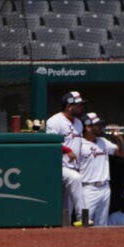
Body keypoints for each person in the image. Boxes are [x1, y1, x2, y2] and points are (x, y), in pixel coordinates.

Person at [74, 112, 124, 226]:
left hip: (105, 187)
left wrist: (119, 137)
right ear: (88, 127)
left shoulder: (103, 141)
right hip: (88, 188)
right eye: (97, 125)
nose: (101, 127)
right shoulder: (79, 144)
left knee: (102, 224)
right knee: (84, 222)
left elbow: (123, 153)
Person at [46, 91, 88, 226]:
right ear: (69, 106)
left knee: (67, 206)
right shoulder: (54, 121)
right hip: (58, 166)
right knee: (75, 178)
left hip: (73, 167)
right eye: (78, 104)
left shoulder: (79, 123)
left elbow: (78, 146)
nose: (81, 107)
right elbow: (50, 142)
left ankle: (65, 229)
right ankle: (83, 217)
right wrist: (67, 150)